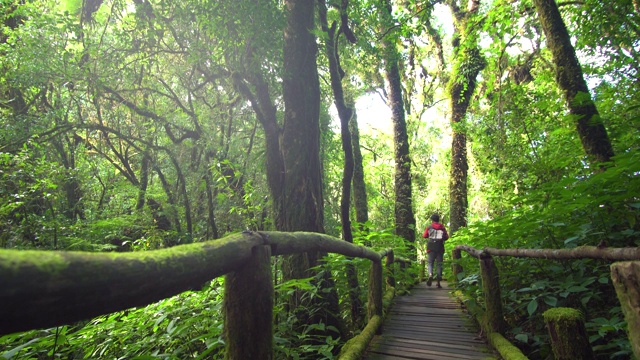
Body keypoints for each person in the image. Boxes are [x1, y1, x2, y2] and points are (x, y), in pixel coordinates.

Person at [422, 214, 449, 288]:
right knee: (439, 264)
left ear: (432, 220)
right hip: (440, 247)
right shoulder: (442, 227)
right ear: (438, 220)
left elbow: (424, 236)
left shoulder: (429, 227)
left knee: (430, 263)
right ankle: (438, 282)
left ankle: (430, 274)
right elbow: (446, 237)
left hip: (431, 247)